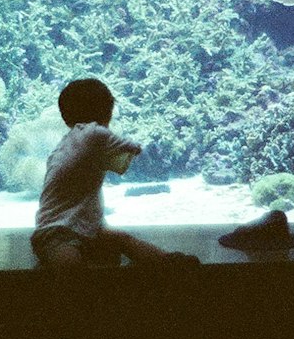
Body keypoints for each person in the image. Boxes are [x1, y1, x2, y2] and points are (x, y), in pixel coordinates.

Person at [30, 78, 201, 269]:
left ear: (65, 117)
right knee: (73, 263)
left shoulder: (65, 145)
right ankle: (168, 262)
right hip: (55, 233)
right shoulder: (93, 133)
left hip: (82, 229)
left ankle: (167, 260)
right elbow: (124, 145)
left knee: (119, 239)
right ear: (108, 111)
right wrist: (135, 147)